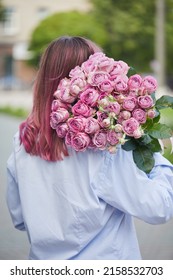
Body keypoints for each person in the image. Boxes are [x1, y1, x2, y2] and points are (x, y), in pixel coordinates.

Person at [6, 36, 173, 260]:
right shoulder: (101, 147)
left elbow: (19, 219)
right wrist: (154, 154)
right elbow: (158, 208)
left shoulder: (23, 140)